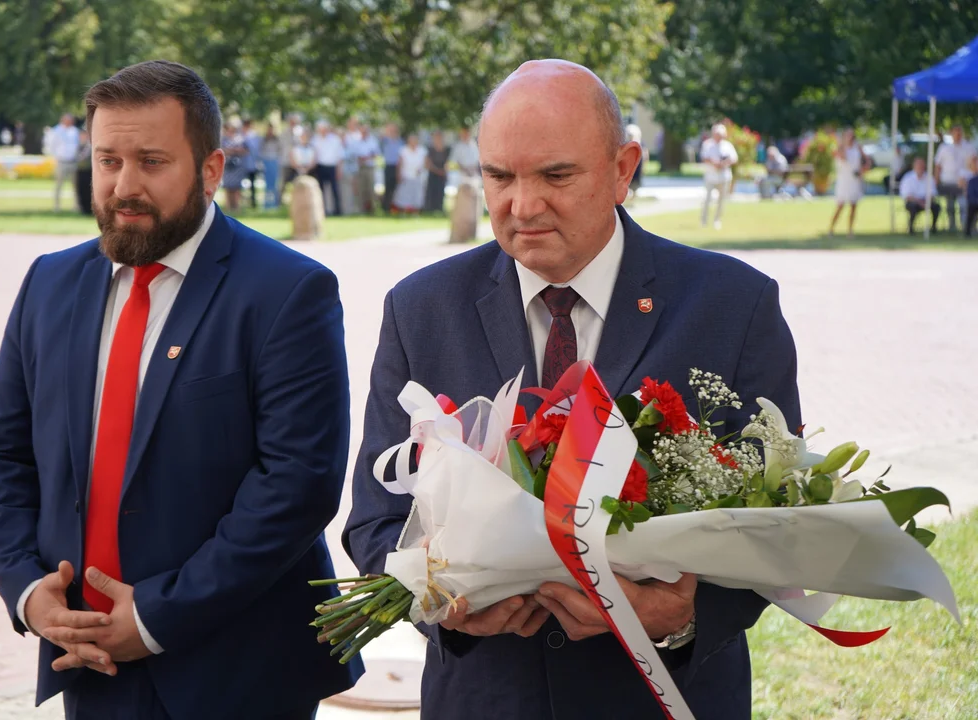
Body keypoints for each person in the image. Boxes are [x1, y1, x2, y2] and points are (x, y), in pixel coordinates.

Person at [343, 58, 800, 720]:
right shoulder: (422, 308)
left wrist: (679, 616)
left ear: (623, 169)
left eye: (556, 175)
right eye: (498, 176)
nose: (521, 206)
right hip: (487, 698)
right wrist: (442, 605)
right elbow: (375, 521)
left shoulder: (733, 306)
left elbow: (778, 526)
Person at [0, 60, 361, 720]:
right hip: (87, 659)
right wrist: (28, 590)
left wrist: (154, 617)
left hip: (240, 670)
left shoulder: (288, 292)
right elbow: (1, 457)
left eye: (152, 161)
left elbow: (297, 485)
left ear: (210, 170)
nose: (124, 185)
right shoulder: (48, 285)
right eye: (108, 160)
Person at [934, 125, 978, 232]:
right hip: (948, 182)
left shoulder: (969, 147)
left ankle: (966, 226)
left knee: (964, 205)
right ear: (951, 133)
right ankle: (952, 226)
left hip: (965, 183)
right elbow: (938, 165)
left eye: (960, 132)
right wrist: (936, 180)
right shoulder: (944, 148)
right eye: (955, 132)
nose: (958, 135)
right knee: (950, 206)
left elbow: (974, 163)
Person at [828, 129, 870, 238]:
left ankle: (850, 230)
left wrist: (862, 170)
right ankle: (831, 229)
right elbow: (843, 157)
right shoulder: (840, 148)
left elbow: (867, 161)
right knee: (840, 206)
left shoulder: (857, 147)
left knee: (853, 206)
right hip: (844, 179)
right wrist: (840, 143)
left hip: (854, 179)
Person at [699, 123, 737, 229]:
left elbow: (734, 158)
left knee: (721, 200)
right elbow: (704, 157)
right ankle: (704, 221)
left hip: (724, 176)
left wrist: (724, 163)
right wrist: (714, 163)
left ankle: (717, 220)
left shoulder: (727, 145)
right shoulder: (707, 144)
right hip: (710, 176)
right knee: (707, 199)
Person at [899, 157, 941, 234]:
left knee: (936, 206)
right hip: (913, 201)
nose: (920, 167)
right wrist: (919, 202)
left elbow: (933, 193)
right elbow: (906, 195)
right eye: (918, 165)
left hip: (926, 201)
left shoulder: (929, 177)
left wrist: (926, 201)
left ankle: (933, 227)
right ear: (914, 166)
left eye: (922, 165)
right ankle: (911, 228)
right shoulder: (908, 178)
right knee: (912, 207)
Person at [50, 114, 82, 213]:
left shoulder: (75, 131)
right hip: (61, 161)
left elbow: (78, 145)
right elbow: (52, 146)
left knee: (76, 185)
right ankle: (56, 206)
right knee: (59, 185)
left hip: (73, 161)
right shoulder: (56, 130)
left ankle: (77, 206)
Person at [312, 120, 345, 216]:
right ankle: (322, 211)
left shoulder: (335, 139)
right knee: (321, 190)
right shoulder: (315, 140)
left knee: (335, 190)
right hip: (320, 167)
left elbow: (340, 156)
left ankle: (338, 211)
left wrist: (339, 170)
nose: (322, 131)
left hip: (332, 167)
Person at [391, 133, 427, 214]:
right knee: (404, 194)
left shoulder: (422, 150)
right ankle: (404, 210)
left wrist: (421, 169)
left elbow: (425, 162)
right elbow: (399, 163)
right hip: (406, 175)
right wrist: (399, 174)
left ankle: (416, 211)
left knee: (417, 194)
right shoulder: (403, 150)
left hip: (418, 176)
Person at [353, 124, 381, 214]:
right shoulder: (356, 141)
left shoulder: (373, 141)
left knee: (371, 188)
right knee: (361, 189)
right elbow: (355, 155)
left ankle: (372, 209)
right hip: (360, 168)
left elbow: (376, 154)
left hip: (370, 167)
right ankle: (362, 209)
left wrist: (367, 158)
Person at [423, 131, 450, 213]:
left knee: (440, 192)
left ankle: (439, 209)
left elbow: (448, 162)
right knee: (431, 191)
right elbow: (427, 164)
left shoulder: (446, 150)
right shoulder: (429, 149)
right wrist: (438, 171)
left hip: (442, 174)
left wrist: (444, 171)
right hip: (433, 173)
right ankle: (429, 209)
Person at [380, 123, 404, 214]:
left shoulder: (400, 141)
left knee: (396, 188)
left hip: (397, 166)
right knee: (388, 187)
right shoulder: (385, 141)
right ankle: (385, 207)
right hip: (388, 166)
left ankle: (395, 207)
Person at [258, 123, 282, 209]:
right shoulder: (264, 140)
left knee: (274, 184)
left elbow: (280, 151)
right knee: (267, 185)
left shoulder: (277, 139)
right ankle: (267, 204)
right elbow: (260, 151)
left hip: (274, 162)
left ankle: (274, 203)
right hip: (266, 162)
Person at [242, 119, 262, 209]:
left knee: (252, 183)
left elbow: (255, 150)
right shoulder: (240, 135)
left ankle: (253, 202)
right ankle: (242, 201)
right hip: (241, 165)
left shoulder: (254, 136)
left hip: (251, 163)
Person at [75, 130, 93, 216]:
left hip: (88, 171)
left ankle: (89, 209)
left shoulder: (89, 146)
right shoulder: (78, 145)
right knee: (80, 189)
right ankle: (83, 208)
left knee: (88, 190)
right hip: (80, 170)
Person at [964, 155, 978, 237]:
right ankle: (968, 232)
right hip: (974, 202)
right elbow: (970, 194)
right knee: (971, 208)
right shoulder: (971, 179)